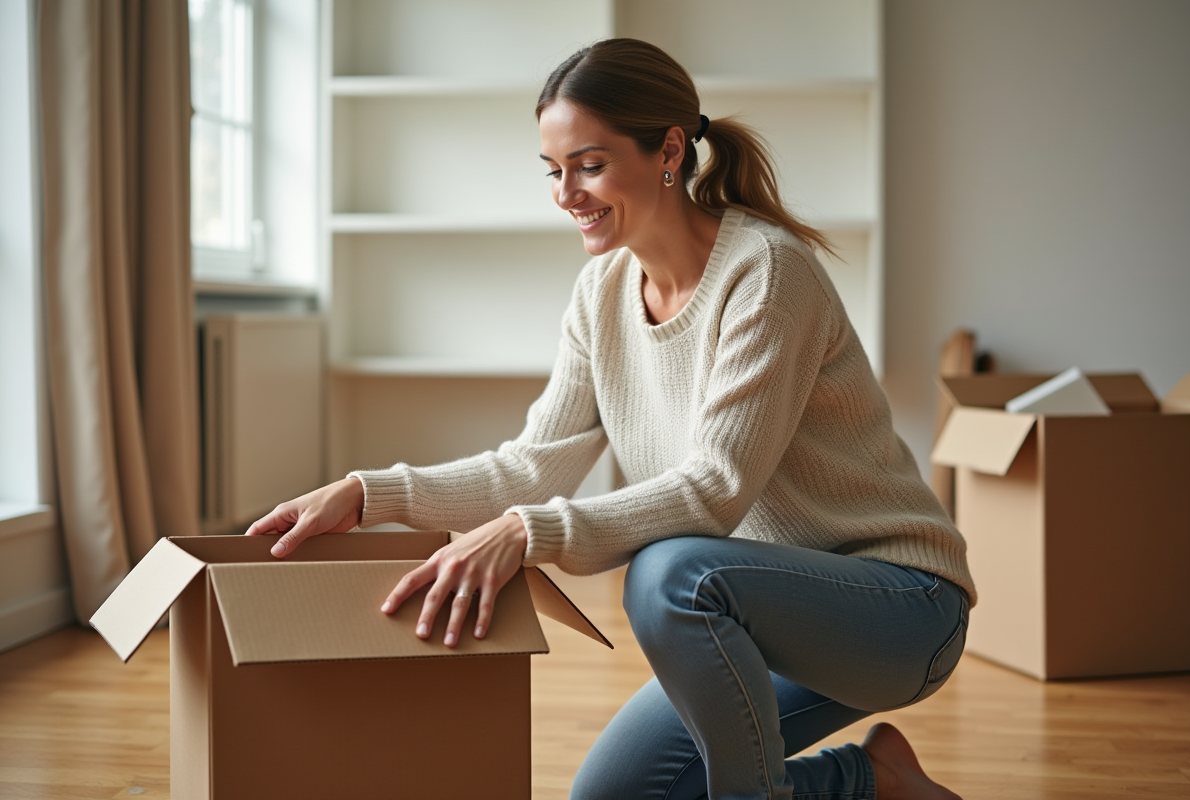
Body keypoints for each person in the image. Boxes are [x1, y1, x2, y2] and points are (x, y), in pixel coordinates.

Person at [248, 38, 975, 800]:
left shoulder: (766, 271)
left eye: (588, 165)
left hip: (900, 610)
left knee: (669, 575)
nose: (566, 192)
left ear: (667, 150)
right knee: (613, 795)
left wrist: (528, 532)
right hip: (762, 616)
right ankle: (872, 782)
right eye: (553, 171)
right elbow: (531, 465)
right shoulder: (601, 293)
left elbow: (714, 490)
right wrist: (368, 494)